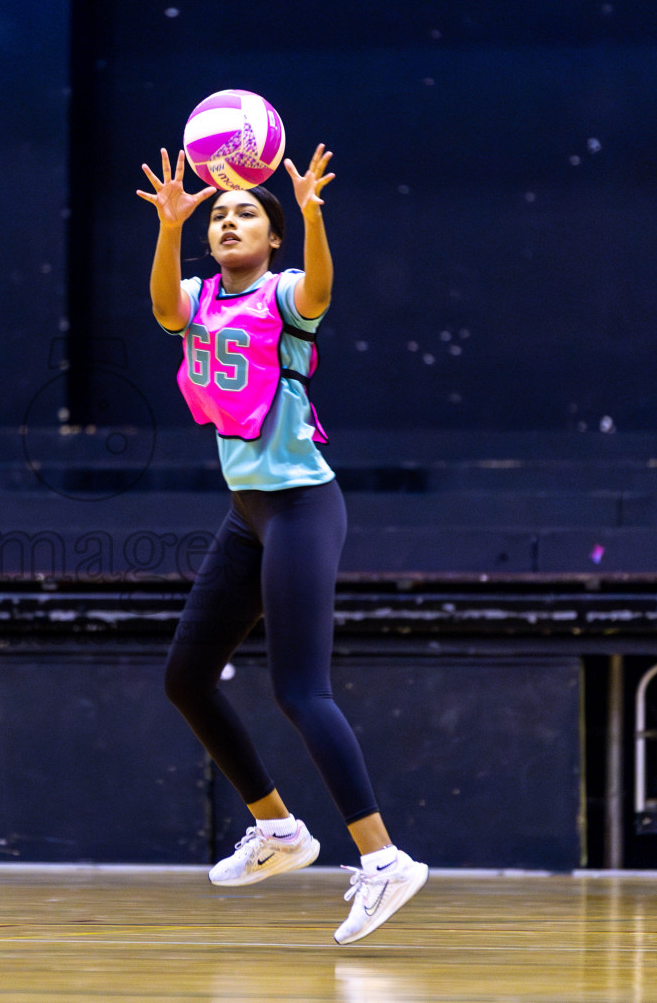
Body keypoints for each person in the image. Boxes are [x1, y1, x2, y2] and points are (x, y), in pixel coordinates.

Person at [137, 147, 427, 944]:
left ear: (271, 240)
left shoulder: (285, 294)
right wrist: (169, 227)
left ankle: (383, 860)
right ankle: (281, 831)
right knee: (186, 678)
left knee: (300, 689)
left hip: (302, 507)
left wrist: (311, 213)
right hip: (248, 514)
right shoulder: (196, 296)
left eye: (248, 215)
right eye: (222, 215)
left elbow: (323, 288)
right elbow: (164, 310)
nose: (231, 222)